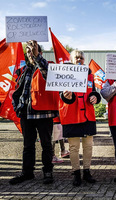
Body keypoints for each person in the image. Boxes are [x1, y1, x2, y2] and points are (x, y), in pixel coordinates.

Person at [10, 41, 58, 185]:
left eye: (33, 51)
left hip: (44, 113)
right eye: (29, 52)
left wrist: (37, 56)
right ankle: (27, 172)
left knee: (46, 144)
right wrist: (17, 106)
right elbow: (16, 88)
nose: (30, 54)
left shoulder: (46, 65)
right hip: (26, 113)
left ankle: (48, 172)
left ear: (39, 52)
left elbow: (48, 73)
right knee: (28, 145)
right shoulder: (23, 69)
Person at [59, 50, 101, 186]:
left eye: (81, 58)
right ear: (71, 60)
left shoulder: (89, 74)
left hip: (87, 115)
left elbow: (93, 91)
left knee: (88, 146)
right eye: (76, 57)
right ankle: (76, 173)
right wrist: (66, 96)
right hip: (72, 115)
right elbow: (61, 94)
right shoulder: (65, 74)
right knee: (73, 147)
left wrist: (95, 97)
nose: (79, 60)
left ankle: (87, 172)